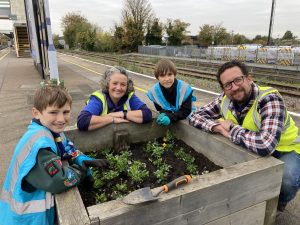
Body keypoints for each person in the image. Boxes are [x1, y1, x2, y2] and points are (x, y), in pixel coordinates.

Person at [189, 60, 300, 211]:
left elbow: (265, 145)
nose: (234, 87)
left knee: (287, 180)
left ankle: (278, 204)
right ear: (223, 89)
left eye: (238, 80)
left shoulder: (269, 98)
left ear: (249, 78)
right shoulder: (225, 99)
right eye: (228, 84)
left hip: (287, 149)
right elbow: (194, 116)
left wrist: (232, 128)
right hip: (252, 144)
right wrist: (217, 127)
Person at [0, 83, 108, 225]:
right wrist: (80, 170)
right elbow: (59, 180)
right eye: (53, 112)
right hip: (25, 218)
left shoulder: (50, 130)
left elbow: (66, 147)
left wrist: (80, 157)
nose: (61, 119)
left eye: (66, 112)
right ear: (36, 112)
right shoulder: (40, 146)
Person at [77, 66, 152, 131]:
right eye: (115, 83)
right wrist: (111, 119)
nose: (118, 88)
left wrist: (121, 114)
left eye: (123, 84)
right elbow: (82, 121)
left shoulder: (129, 97)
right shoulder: (98, 98)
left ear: (127, 87)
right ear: (107, 84)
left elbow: (147, 114)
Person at [147, 59, 196, 126]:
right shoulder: (154, 92)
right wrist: (164, 114)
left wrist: (170, 117)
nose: (167, 79)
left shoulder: (185, 89)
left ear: (174, 75)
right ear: (157, 77)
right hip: (174, 118)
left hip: (189, 118)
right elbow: (160, 109)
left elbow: (186, 111)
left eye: (169, 74)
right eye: (162, 75)